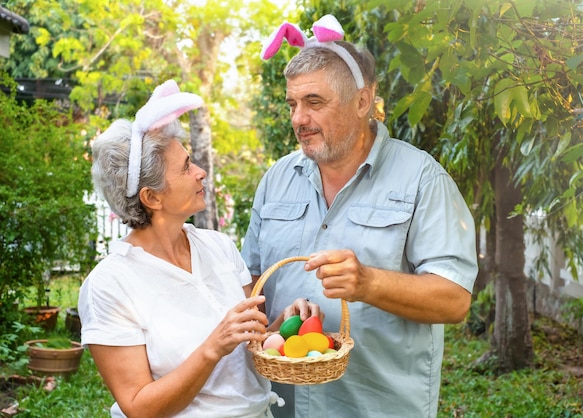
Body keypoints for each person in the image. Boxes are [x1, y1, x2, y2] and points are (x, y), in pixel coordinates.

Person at [242, 15, 478, 418]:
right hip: (281, 406)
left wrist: (367, 282)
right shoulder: (277, 178)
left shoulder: (422, 179)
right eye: (293, 104)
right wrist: (270, 323)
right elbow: (250, 282)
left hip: (376, 407)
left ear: (362, 101)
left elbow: (454, 300)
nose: (298, 119)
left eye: (314, 103)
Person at [78, 80, 320, 418]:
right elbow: (139, 406)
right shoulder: (110, 285)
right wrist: (212, 348)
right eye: (186, 166)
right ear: (152, 197)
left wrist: (283, 325)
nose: (200, 172)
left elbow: (253, 342)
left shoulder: (217, 247)